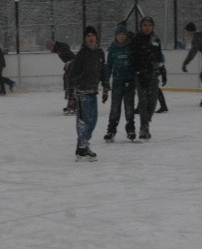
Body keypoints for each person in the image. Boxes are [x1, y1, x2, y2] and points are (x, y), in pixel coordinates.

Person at [68, 25, 109, 161]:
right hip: (82, 92)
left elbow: (103, 72)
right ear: (85, 39)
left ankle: (83, 145)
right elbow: (72, 74)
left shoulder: (100, 53)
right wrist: (73, 91)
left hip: (93, 92)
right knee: (83, 121)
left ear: (96, 37)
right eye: (88, 36)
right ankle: (81, 147)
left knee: (93, 120)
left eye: (93, 35)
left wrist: (106, 88)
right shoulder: (82, 54)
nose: (91, 38)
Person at [129, 16, 163, 140]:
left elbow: (159, 56)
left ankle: (146, 121)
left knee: (153, 101)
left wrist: (162, 70)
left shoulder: (156, 39)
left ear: (152, 26)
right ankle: (144, 127)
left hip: (153, 74)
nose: (147, 27)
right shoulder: (136, 40)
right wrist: (138, 72)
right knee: (143, 101)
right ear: (141, 26)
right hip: (140, 74)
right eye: (145, 25)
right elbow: (133, 57)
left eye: (149, 25)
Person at [104, 22, 136, 142]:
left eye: (123, 34)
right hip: (117, 82)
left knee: (129, 107)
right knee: (115, 107)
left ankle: (130, 129)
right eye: (119, 34)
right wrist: (106, 80)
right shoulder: (112, 49)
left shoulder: (130, 47)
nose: (121, 37)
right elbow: (109, 66)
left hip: (129, 81)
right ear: (116, 36)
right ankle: (111, 130)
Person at [182, 22, 202, 106]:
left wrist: (185, 63)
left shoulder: (196, 38)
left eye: (186, 31)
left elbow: (192, 52)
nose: (186, 33)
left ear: (190, 31)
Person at [45, 38, 77, 114]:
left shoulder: (60, 47)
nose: (50, 50)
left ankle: (73, 105)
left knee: (70, 84)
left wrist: (70, 62)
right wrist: (67, 63)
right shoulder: (58, 48)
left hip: (74, 65)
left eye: (49, 48)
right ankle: (72, 104)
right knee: (68, 83)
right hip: (72, 65)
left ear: (52, 45)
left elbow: (69, 54)